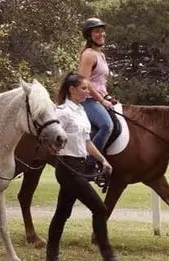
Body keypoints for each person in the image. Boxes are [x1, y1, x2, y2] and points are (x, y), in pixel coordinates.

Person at [46, 72, 119, 261]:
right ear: (72, 89)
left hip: (79, 165)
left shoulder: (80, 111)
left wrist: (103, 160)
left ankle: (51, 256)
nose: (88, 92)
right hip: (67, 167)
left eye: (88, 88)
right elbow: (49, 136)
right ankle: (108, 255)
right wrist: (53, 148)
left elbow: (87, 141)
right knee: (99, 209)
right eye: (84, 88)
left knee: (62, 212)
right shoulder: (62, 112)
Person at [77, 17, 115, 174]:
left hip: (99, 99)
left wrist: (107, 97)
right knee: (107, 126)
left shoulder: (101, 55)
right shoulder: (89, 55)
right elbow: (84, 81)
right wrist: (101, 100)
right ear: (89, 35)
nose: (101, 34)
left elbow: (99, 83)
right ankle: (89, 163)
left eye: (102, 30)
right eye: (97, 31)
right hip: (88, 100)